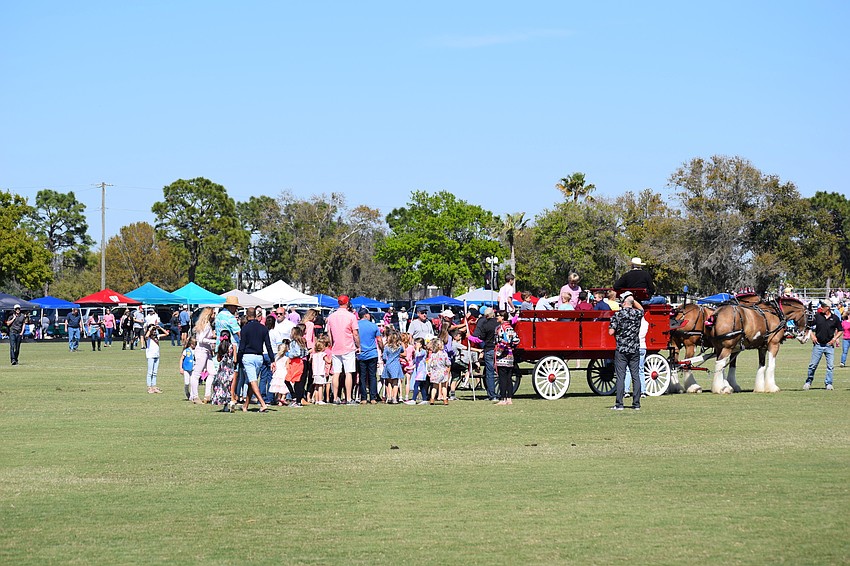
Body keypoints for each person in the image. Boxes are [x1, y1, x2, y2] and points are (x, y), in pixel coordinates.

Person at [608, 294, 645, 411]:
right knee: (636, 376)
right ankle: (636, 404)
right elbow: (642, 309)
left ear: (623, 303)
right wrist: (632, 300)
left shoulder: (618, 315)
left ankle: (619, 404)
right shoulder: (637, 314)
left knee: (620, 376)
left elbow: (610, 332)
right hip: (634, 349)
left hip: (622, 349)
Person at [235, 307, 273, 412]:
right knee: (252, 381)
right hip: (259, 357)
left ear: (247, 316)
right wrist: (272, 360)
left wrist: (238, 360)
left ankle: (262, 403)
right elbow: (268, 346)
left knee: (252, 381)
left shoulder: (245, 329)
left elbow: (241, 347)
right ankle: (245, 405)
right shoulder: (263, 328)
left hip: (248, 356)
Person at [326, 295, 361, 405]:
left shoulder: (331, 316)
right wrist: (358, 345)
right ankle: (349, 398)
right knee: (348, 373)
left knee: (336, 373)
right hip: (348, 347)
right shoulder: (351, 316)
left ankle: (336, 397)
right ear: (347, 303)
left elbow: (329, 333)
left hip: (336, 348)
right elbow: (355, 333)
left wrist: (332, 345)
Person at [804, 299, 843, 391]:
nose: (820, 308)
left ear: (828, 308)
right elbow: (808, 326)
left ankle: (828, 383)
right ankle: (808, 382)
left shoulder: (835, 318)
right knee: (813, 365)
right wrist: (812, 336)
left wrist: (834, 339)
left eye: (823, 306)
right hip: (818, 345)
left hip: (829, 345)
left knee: (830, 366)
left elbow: (840, 330)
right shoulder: (817, 316)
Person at [471, 306, 500, 401]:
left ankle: (492, 395)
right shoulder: (499, 323)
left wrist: (469, 337)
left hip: (489, 349)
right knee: (501, 372)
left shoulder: (486, 325)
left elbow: (479, 338)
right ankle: (502, 393)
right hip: (499, 349)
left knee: (490, 373)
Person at [189, 308, 217, 404]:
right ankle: (195, 396)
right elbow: (201, 339)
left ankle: (207, 395)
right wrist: (213, 341)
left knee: (212, 372)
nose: (214, 315)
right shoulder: (207, 326)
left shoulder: (204, 325)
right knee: (196, 373)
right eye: (213, 314)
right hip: (202, 351)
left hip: (206, 350)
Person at [624, 295, 649, 399]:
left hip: (633, 346)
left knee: (629, 369)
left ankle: (626, 390)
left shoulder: (632, 322)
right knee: (640, 369)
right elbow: (641, 310)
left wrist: (630, 301)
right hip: (642, 346)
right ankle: (642, 391)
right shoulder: (645, 323)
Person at [357, 307, 383, 404]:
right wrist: (382, 349)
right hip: (372, 354)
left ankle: (363, 398)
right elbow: (379, 340)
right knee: (372, 376)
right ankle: (373, 397)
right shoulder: (373, 326)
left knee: (362, 376)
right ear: (366, 315)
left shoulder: (356, 326)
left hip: (361, 354)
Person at [494, 310, 520, 405]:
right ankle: (509, 398)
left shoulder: (502, 328)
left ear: (502, 317)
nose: (497, 317)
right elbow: (516, 340)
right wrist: (511, 347)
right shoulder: (510, 327)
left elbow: (505, 341)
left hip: (503, 357)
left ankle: (503, 398)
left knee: (502, 378)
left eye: (498, 316)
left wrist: (499, 352)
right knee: (509, 378)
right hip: (510, 356)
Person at [284, 325, 309, 407]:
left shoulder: (294, 342)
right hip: (299, 362)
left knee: (293, 381)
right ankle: (297, 399)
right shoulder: (302, 342)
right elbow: (306, 352)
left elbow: (297, 353)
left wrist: (288, 354)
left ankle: (296, 399)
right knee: (294, 381)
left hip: (296, 362)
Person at [144, 323, 169, 394]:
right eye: (153, 330)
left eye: (155, 330)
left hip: (157, 356)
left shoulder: (157, 336)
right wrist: (150, 329)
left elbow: (166, 333)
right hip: (150, 356)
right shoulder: (148, 337)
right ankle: (149, 387)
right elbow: (146, 336)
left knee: (155, 373)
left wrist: (160, 328)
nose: (154, 331)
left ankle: (154, 387)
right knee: (150, 372)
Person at [382, 328, 404, 404]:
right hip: (396, 365)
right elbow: (403, 352)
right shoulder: (399, 347)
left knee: (388, 382)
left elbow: (384, 357)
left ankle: (389, 397)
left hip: (388, 364)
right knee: (395, 382)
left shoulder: (386, 347)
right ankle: (394, 398)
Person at [427, 337, 451, 405]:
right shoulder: (444, 354)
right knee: (444, 386)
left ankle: (432, 399)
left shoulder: (433, 355)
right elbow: (448, 363)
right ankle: (445, 399)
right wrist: (448, 365)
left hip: (435, 372)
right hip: (443, 371)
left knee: (434, 386)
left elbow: (429, 363)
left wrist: (429, 370)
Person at [311, 335, 331, 405]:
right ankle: (320, 400)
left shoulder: (314, 355)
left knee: (316, 387)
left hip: (315, 373)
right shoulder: (323, 354)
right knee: (320, 386)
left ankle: (316, 400)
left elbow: (313, 365)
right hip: (321, 372)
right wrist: (331, 358)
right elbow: (328, 361)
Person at [270, 341, 290, 406]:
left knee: (279, 387)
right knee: (284, 387)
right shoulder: (286, 358)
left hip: (277, 373)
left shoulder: (276, 357)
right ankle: (283, 398)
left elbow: (275, 366)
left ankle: (279, 399)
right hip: (284, 372)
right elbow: (287, 367)